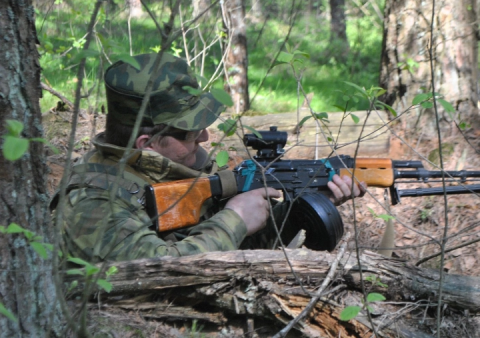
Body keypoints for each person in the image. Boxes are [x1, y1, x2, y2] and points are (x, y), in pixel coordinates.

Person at [57, 53, 365, 262]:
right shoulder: (93, 204)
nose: (204, 138)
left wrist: (307, 205)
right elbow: (162, 273)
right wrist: (234, 219)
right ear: (146, 144)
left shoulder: (169, 171)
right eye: (191, 133)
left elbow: (239, 247)